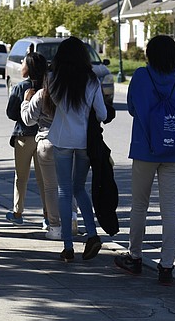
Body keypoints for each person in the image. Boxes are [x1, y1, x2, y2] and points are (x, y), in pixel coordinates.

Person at [114, 35, 175, 285]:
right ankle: (167, 265)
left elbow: (133, 109)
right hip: (173, 150)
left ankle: (134, 256)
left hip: (145, 148)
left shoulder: (141, 76)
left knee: (139, 205)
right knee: (170, 208)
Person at [45, 37, 107, 262]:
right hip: (84, 142)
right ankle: (92, 235)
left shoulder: (53, 78)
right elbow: (102, 114)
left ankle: (68, 247)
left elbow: (52, 103)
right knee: (80, 188)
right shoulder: (91, 80)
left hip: (61, 138)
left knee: (64, 190)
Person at [19, 52, 61, 240]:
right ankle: (73, 218)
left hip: (46, 140)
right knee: (69, 186)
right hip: (69, 142)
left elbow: (28, 120)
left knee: (50, 188)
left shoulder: (40, 93)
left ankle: (55, 226)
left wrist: (25, 101)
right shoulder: (66, 91)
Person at [4, 50, 47, 227]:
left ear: (28, 69)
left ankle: (18, 212)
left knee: (21, 177)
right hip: (44, 136)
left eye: (23, 63)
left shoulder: (20, 88)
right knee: (44, 178)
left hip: (23, 136)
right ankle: (48, 215)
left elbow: (11, 113)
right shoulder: (48, 87)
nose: (21, 66)